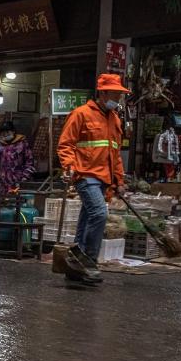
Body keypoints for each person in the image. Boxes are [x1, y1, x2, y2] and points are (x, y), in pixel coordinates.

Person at [56, 73, 128, 286]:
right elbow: (65, 144)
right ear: (103, 93)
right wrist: (69, 167)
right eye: (115, 94)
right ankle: (89, 261)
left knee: (87, 218)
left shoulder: (115, 119)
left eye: (120, 94)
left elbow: (115, 154)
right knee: (99, 213)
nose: (119, 98)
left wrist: (119, 181)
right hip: (85, 174)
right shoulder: (81, 114)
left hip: (104, 178)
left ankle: (75, 267)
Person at [0, 120, 36, 197]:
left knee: (17, 206)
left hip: (18, 183)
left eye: (7, 132)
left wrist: (24, 178)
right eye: (3, 133)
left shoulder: (23, 144)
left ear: (13, 131)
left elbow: (29, 162)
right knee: (2, 206)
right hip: (2, 185)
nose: (5, 134)